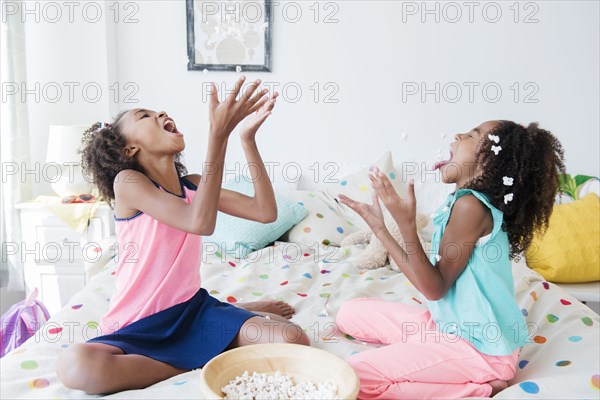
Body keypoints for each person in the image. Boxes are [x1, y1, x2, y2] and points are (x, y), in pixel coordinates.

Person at [56, 77, 309, 395]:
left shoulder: (192, 184)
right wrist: (218, 134)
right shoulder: (129, 182)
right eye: (145, 116)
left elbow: (264, 212)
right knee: (77, 366)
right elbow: (199, 222)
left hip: (192, 313)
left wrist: (246, 139)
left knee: (293, 338)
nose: (160, 113)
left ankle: (218, 328)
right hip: (139, 324)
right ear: (129, 148)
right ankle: (198, 353)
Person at [337, 120, 565, 399]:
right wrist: (381, 229)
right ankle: (433, 356)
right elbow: (429, 278)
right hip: (447, 326)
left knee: (354, 376)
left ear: (488, 161)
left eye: (471, 135)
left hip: (480, 349)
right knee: (348, 313)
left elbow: (434, 288)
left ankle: (477, 389)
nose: (457, 135)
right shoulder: (463, 202)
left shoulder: (471, 207)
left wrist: (406, 224)